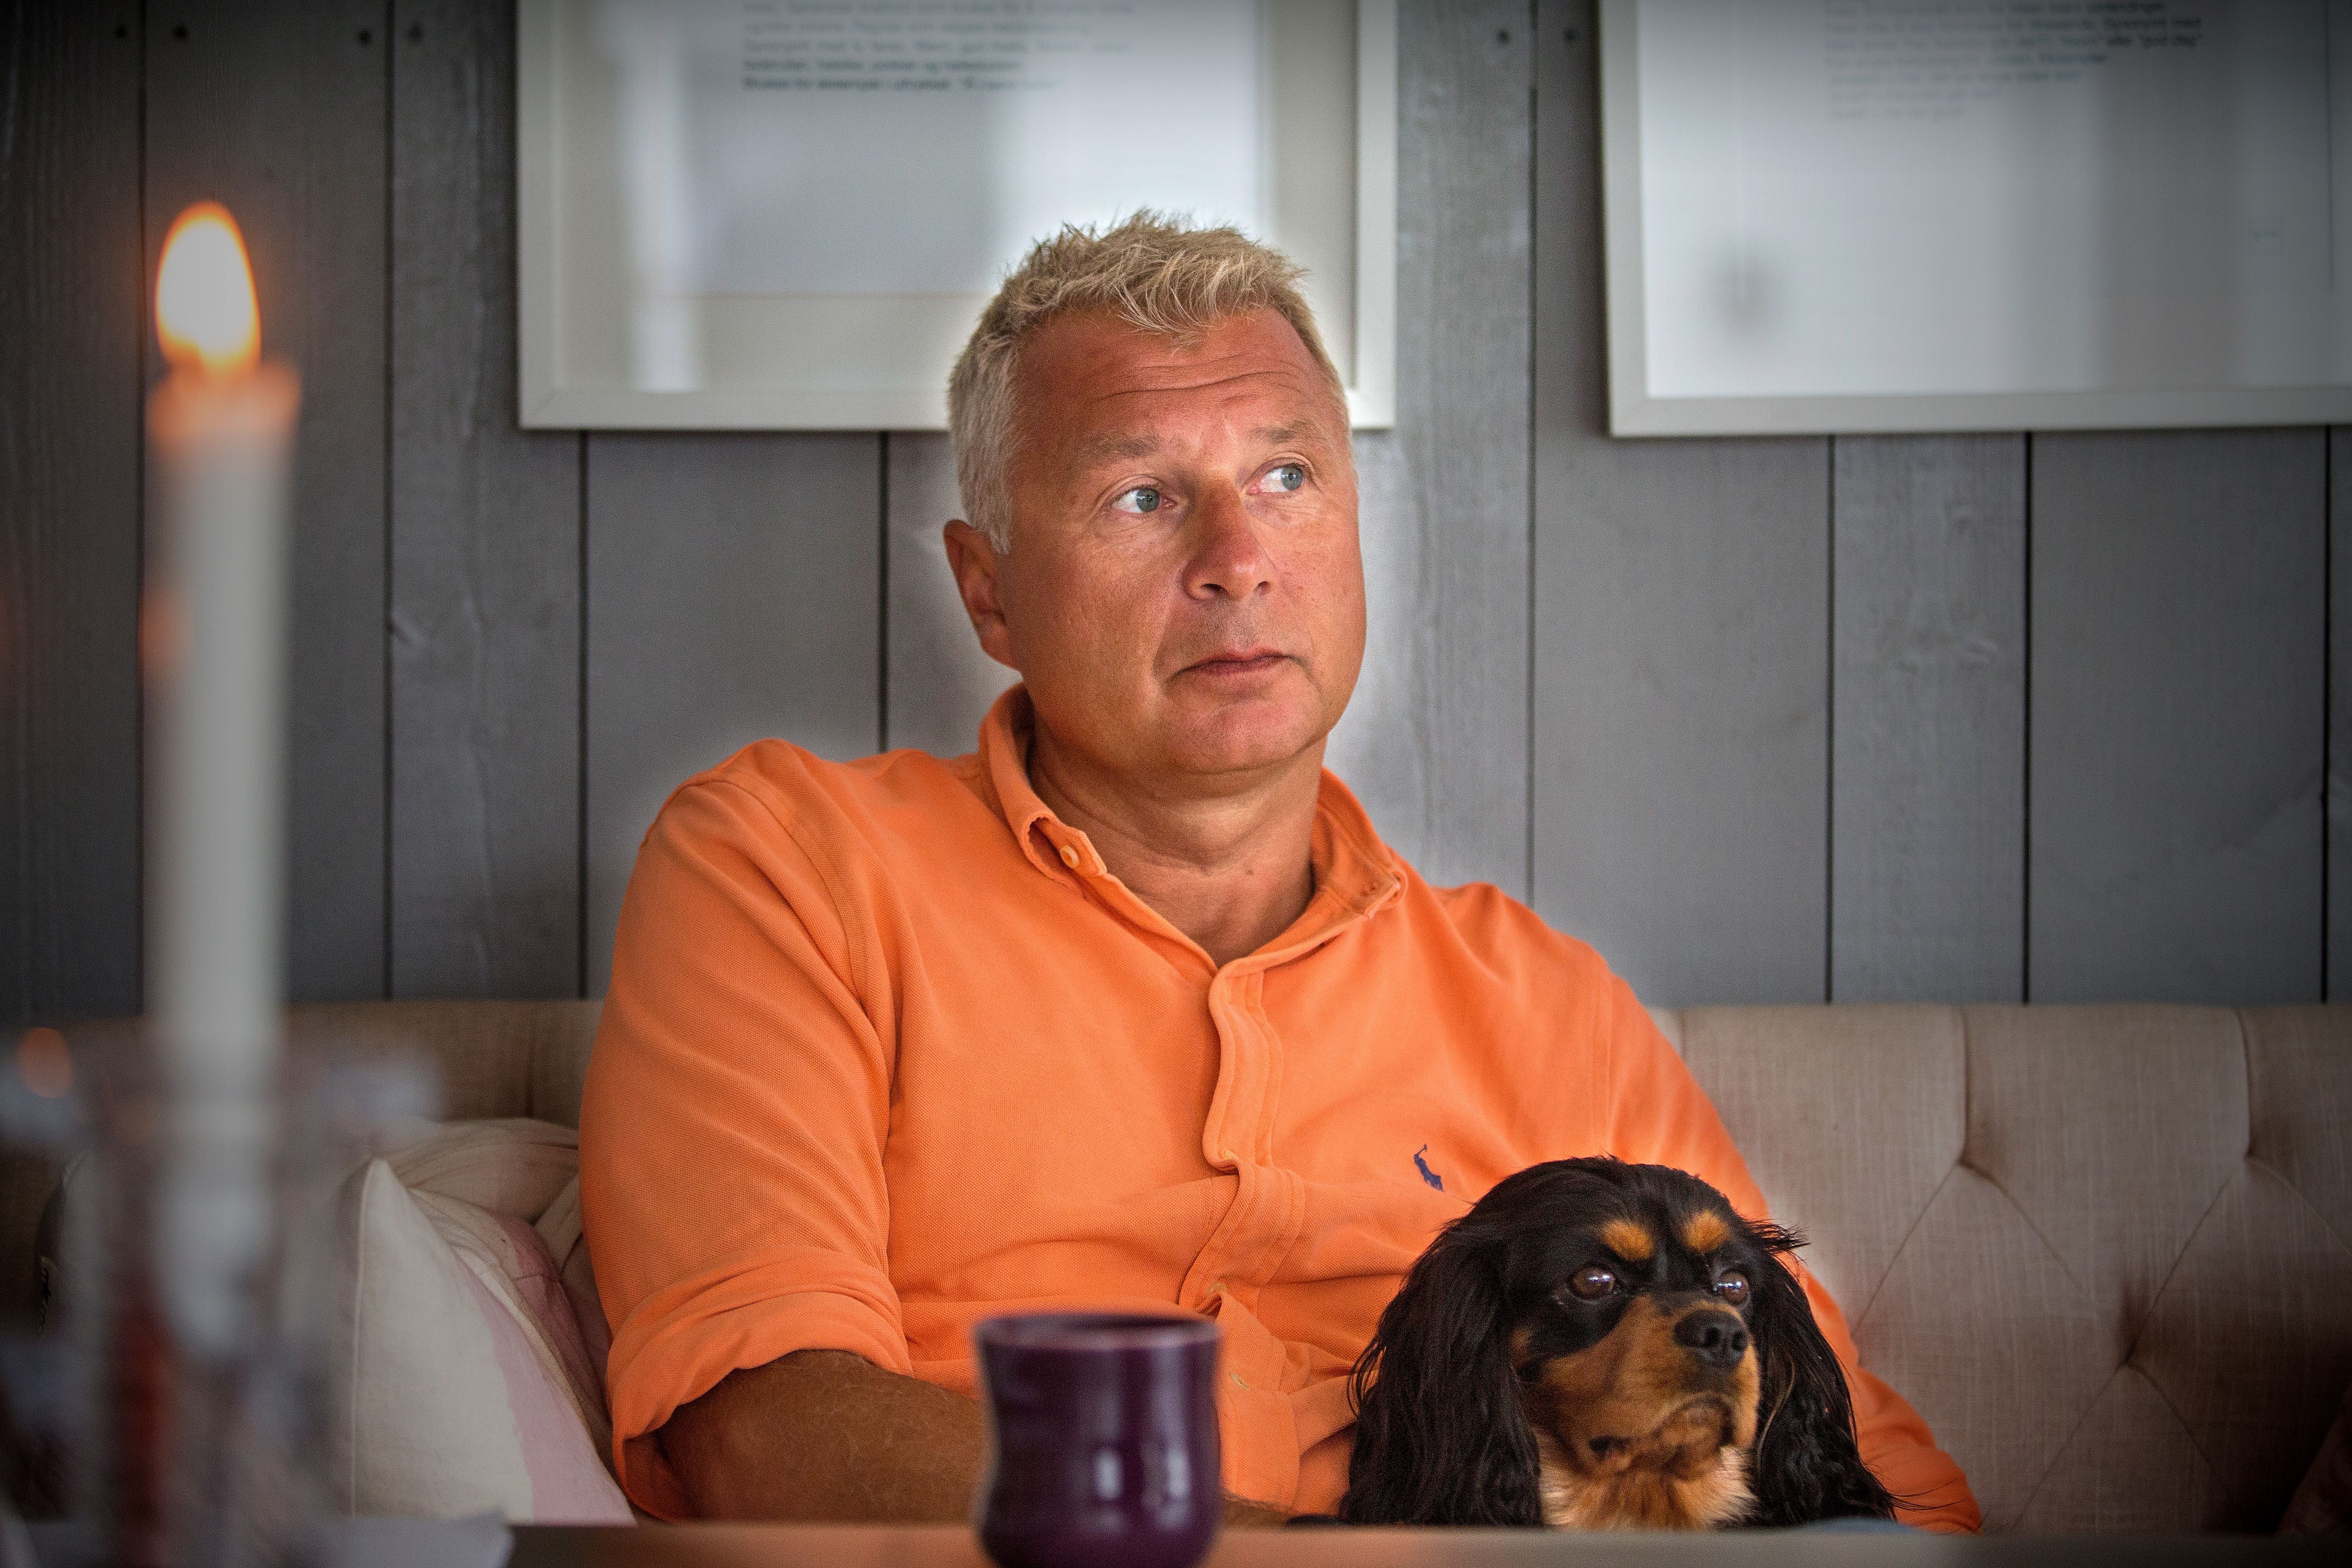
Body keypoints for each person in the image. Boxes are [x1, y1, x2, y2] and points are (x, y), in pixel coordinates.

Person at [577, 214, 1980, 1532]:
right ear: (988, 589)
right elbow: (762, 1428)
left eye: (1286, 479)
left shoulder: (1544, 1000)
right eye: (1140, 496)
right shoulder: (790, 867)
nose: (1237, 561)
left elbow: (1858, 1472)